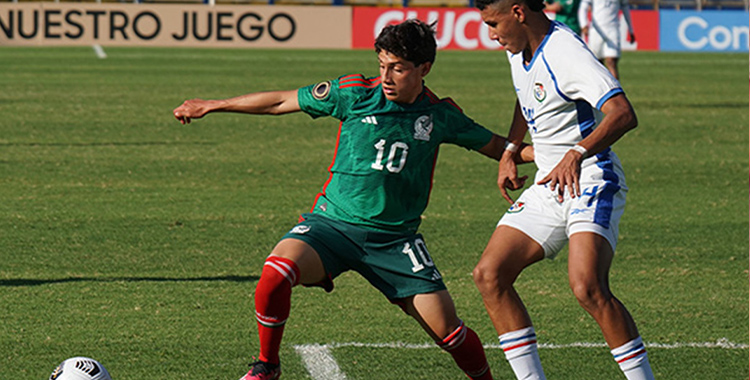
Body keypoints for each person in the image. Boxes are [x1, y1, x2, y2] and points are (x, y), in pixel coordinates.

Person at [173, 19, 533, 380]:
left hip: (396, 241)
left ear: (424, 68)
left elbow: (501, 148)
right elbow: (281, 101)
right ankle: (267, 365)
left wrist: (566, 152)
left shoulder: (440, 116)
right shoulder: (354, 92)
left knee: (450, 333)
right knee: (275, 274)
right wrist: (214, 104)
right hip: (331, 227)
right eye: (382, 65)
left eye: (398, 68)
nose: (387, 76)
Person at [472, 0, 655, 380]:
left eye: (493, 22)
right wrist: (510, 150)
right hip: (549, 183)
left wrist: (576, 152)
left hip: (591, 177)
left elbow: (623, 112)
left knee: (587, 286)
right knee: (490, 274)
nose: (491, 34)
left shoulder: (566, 51)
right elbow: (526, 98)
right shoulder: (519, 49)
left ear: (518, 12)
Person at [577, 0, 636, 79]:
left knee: (611, 62)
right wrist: (583, 24)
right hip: (596, 31)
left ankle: (616, 89)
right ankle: (599, 89)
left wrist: (630, 29)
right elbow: (583, 7)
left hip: (612, 30)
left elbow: (625, 8)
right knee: (597, 64)